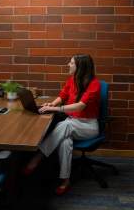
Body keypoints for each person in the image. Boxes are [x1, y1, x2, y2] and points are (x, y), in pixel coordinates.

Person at [23, 54, 100, 195]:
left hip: (88, 126)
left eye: (71, 63)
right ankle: (65, 180)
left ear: (80, 67)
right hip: (72, 123)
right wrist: (52, 103)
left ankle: (38, 156)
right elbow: (63, 95)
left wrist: (55, 109)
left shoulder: (94, 84)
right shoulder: (72, 80)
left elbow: (79, 107)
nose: (68, 65)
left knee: (65, 125)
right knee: (65, 142)